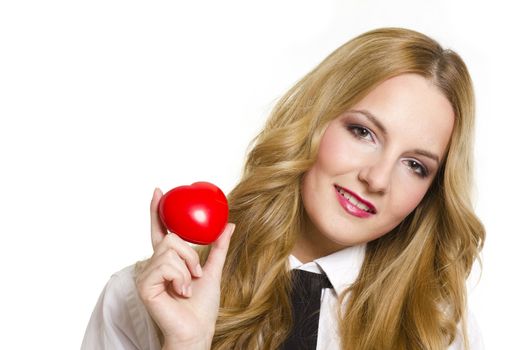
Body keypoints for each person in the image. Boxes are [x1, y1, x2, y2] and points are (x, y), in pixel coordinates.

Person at [81, 27, 486, 350]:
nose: (377, 179)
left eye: (415, 165)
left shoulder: (437, 331)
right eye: (362, 132)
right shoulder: (139, 301)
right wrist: (187, 343)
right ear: (314, 120)